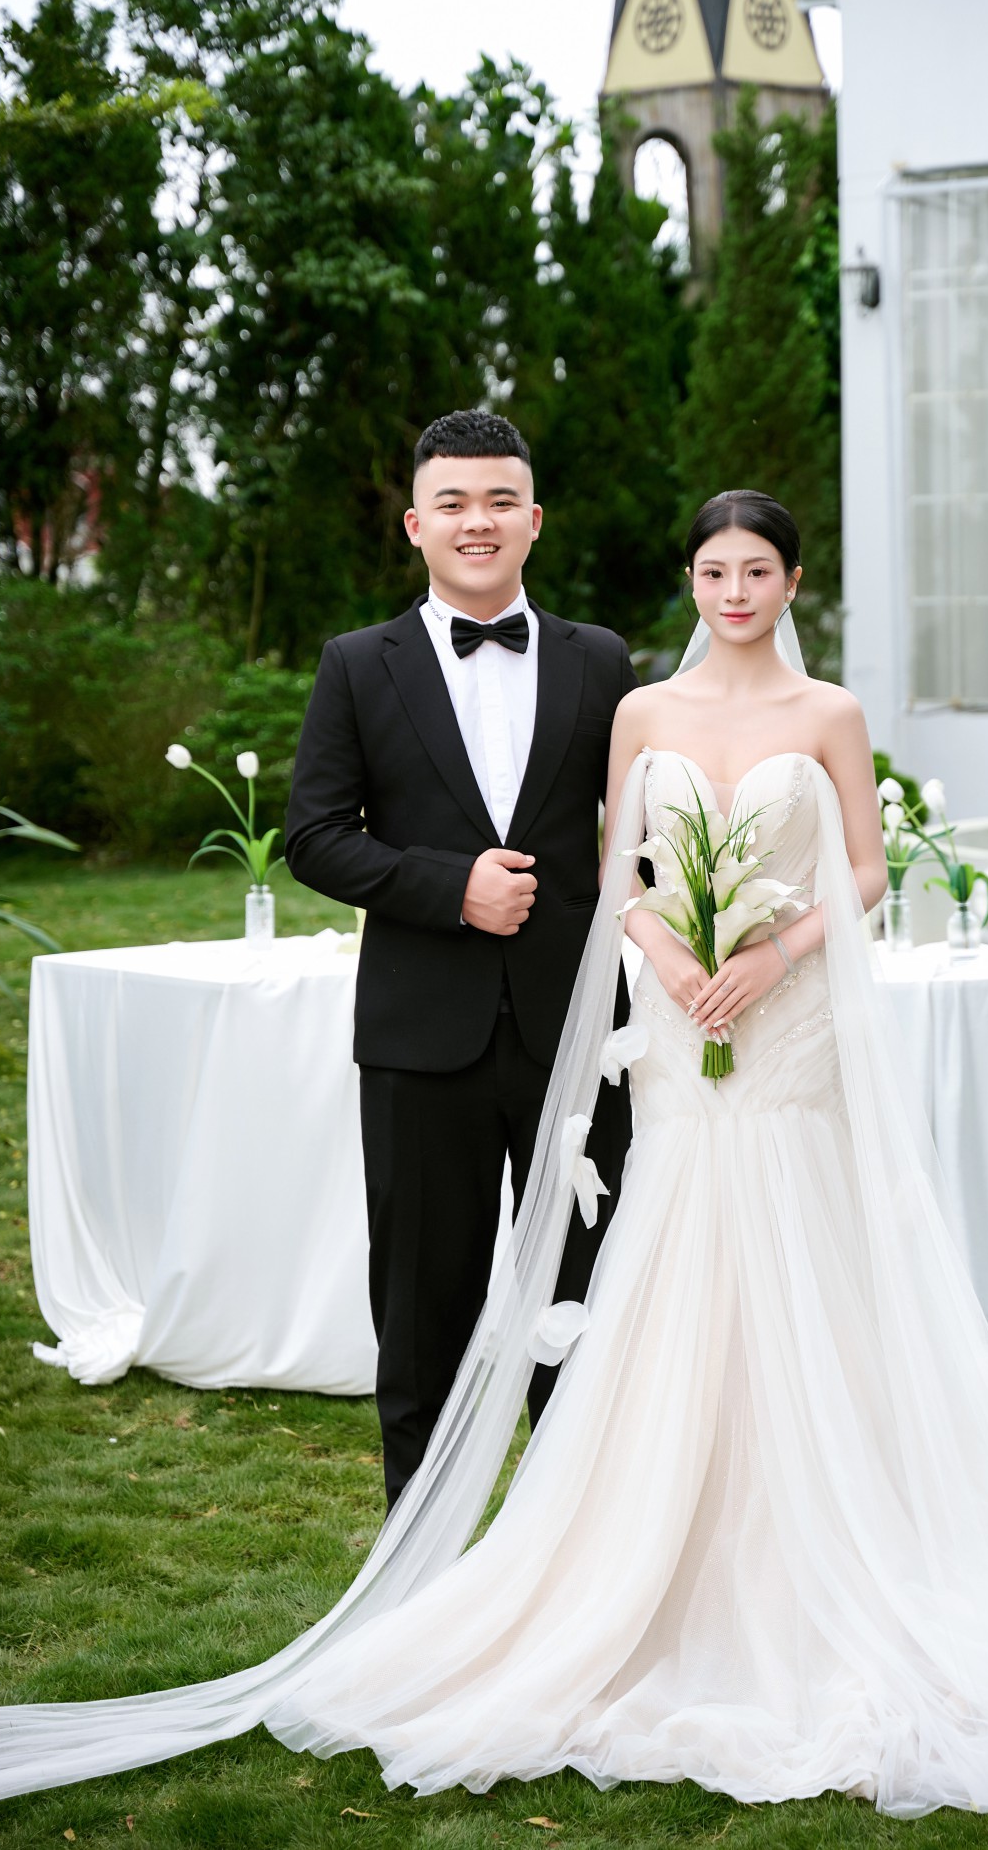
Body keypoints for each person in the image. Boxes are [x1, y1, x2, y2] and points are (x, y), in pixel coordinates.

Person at [0, 493, 988, 1850]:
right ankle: (623, 1551)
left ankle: (826, 1535)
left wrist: (768, 956)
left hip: (787, 1026)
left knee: (800, 1261)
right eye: (711, 569)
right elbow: (617, 874)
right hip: (674, 1031)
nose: (732, 590)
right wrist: (676, 958)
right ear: (690, 580)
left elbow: (867, 872)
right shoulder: (639, 706)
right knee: (665, 1264)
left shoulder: (827, 712)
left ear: (791, 581)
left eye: (754, 569)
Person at [284, 409, 635, 1509]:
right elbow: (314, 837)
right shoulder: (357, 664)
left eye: (498, 501)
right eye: (452, 502)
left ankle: (577, 1549)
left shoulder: (600, 658)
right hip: (419, 1033)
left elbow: (635, 834)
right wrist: (452, 889)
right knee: (422, 1310)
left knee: (583, 1298)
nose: (476, 521)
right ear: (415, 524)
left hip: (577, 1030)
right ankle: (417, 1560)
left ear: (534, 520)